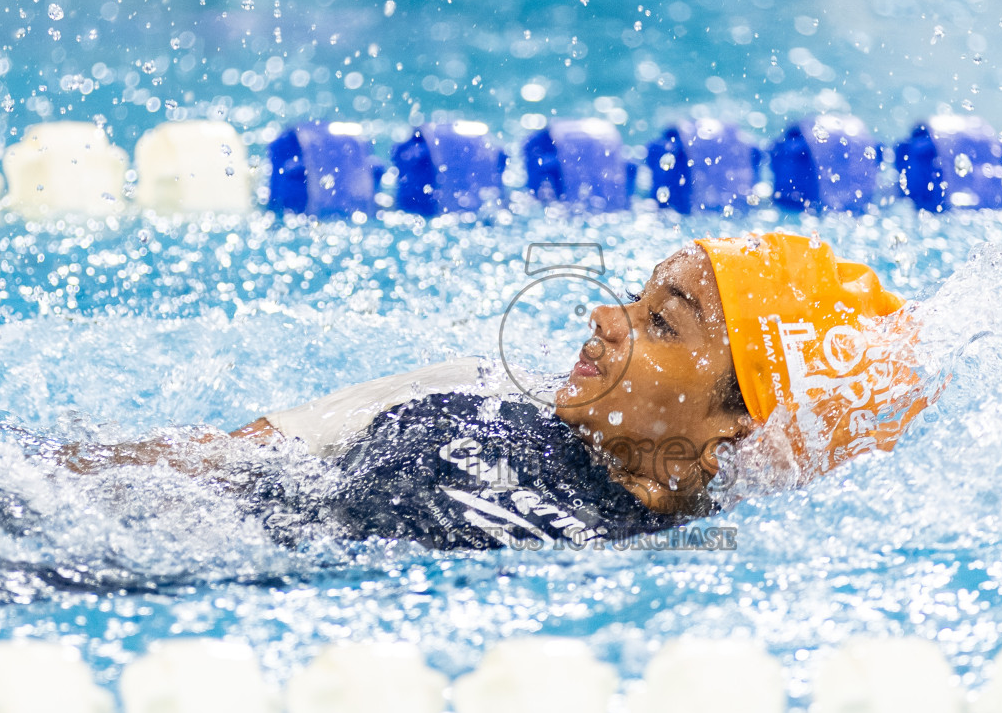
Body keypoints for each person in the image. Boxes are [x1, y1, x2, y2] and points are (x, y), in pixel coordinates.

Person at [51, 233, 930, 549]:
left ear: (735, 428)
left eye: (663, 324)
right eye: (636, 294)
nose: (605, 316)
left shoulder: (659, 564)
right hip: (128, 523)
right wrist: (50, 470)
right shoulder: (472, 383)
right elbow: (221, 459)